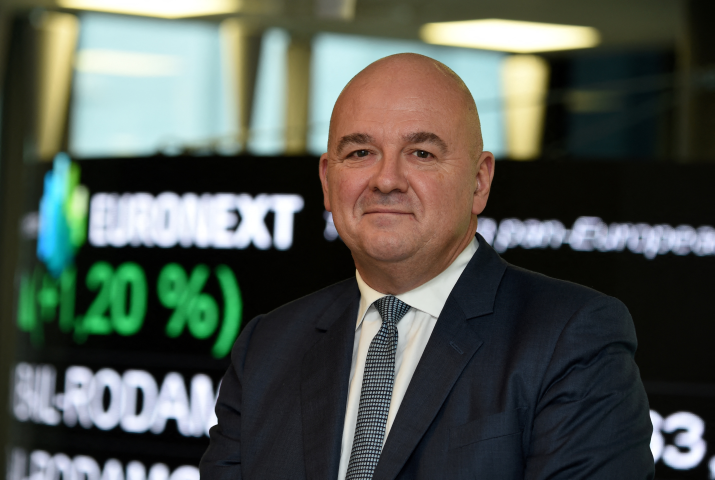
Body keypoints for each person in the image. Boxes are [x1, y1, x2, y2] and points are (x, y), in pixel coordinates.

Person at [200, 53, 654, 479]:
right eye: (360, 152)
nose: (386, 179)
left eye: (422, 153)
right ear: (327, 179)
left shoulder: (571, 338)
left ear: (479, 182)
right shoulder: (267, 347)